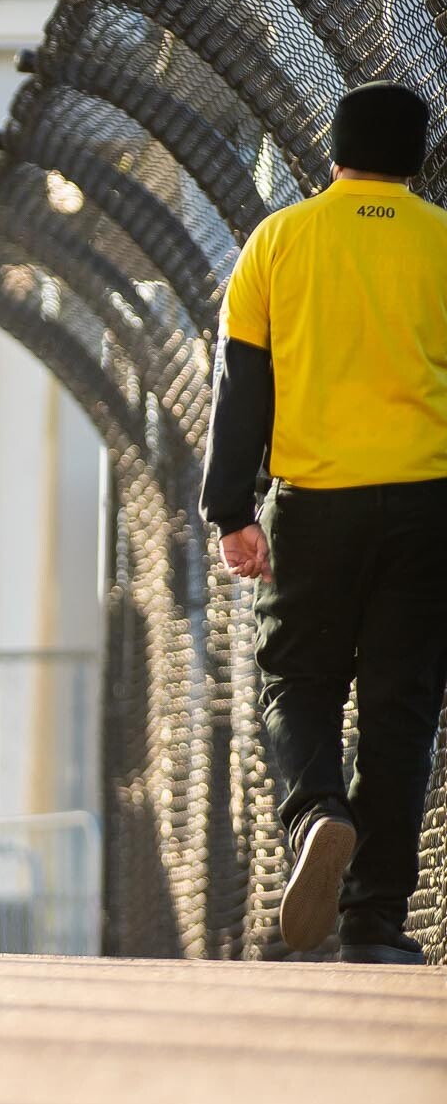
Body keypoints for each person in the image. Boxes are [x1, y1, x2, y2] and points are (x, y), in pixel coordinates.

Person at [202, 82, 445, 966]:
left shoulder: (280, 240)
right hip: (427, 505)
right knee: (400, 712)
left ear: (333, 151)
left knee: (297, 682)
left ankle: (315, 813)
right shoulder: (441, 240)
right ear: (418, 157)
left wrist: (231, 510)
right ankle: (374, 920)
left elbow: (242, 384)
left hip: (313, 505)